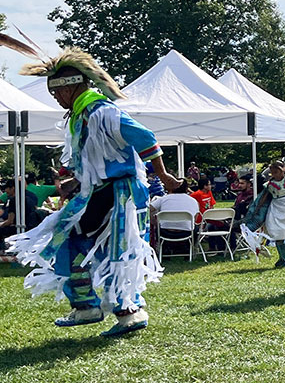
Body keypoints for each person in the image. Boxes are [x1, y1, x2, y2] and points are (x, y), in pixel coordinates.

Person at [7, 48, 179, 336]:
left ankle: (128, 313)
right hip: (98, 190)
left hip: (121, 192)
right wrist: (78, 181)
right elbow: (95, 158)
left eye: (57, 93)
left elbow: (144, 137)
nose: (56, 98)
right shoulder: (81, 115)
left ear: (72, 86)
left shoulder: (102, 111)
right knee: (65, 236)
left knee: (121, 249)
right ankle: (88, 306)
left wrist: (163, 174)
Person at [240, 160, 285, 268]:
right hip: (277, 207)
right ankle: (281, 257)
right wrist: (257, 208)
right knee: (278, 232)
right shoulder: (269, 185)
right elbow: (264, 197)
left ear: (283, 170)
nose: (274, 175)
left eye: (276, 172)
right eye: (272, 173)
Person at [149, 182, 200, 255]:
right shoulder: (193, 201)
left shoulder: (163, 199)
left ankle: (164, 249)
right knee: (196, 227)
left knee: (158, 227)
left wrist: (155, 222)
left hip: (165, 232)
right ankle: (189, 248)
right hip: (186, 232)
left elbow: (148, 209)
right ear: (186, 189)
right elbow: (195, 218)